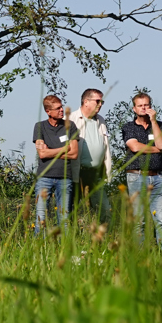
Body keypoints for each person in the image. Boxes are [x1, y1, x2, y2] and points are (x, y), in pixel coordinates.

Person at [121, 92, 162, 244]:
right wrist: (156, 149)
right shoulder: (129, 127)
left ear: (151, 106)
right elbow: (134, 147)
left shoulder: (159, 125)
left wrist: (153, 122)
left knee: (161, 220)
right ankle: (140, 258)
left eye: (146, 105)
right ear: (134, 109)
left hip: (157, 177)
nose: (143, 108)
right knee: (138, 221)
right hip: (136, 177)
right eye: (140, 105)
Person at [33, 95, 79, 233]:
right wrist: (64, 149)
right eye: (58, 108)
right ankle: (38, 250)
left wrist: (50, 151)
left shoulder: (70, 126)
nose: (62, 110)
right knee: (40, 217)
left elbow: (74, 154)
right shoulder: (39, 126)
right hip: (44, 177)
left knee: (64, 219)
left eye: (61, 107)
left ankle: (63, 250)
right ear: (48, 111)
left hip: (65, 178)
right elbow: (42, 154)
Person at [67, 88, 112, 223]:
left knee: (104, 210)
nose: (100, 104)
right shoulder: (71, 119)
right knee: (73, 210)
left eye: (102, 101)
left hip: (96, 174)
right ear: (86, 101)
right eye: (97, 101)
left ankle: (103, 240)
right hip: (77, 173)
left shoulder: (101, 121)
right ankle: (72, 240)